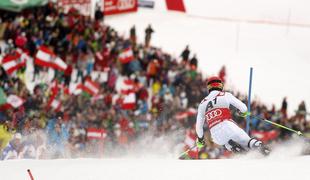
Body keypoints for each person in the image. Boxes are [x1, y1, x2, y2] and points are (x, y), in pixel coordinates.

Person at [195, 76, 270, 155]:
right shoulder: (225, 95)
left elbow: (199, 126)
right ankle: (263, 149)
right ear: (220, 85)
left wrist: (200, 139)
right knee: (246, 141)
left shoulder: (202, 103)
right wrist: (242, 113)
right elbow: (244, 108)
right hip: (228, 125)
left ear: (209, 87)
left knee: (225, 142)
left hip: (215, 134)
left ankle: (233, 147)